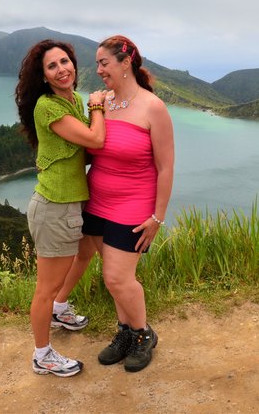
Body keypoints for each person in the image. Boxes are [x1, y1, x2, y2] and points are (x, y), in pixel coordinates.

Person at [15, 39, 107, 377]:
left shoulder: (75, 100)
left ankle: (61, 308)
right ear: (44, 77)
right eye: (52, 66)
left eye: (65, 61)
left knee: (84, 254)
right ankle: (42, 355)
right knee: (45, 287)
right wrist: (98, 107)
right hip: (54, 206)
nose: (61, 69)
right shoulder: (47, 106)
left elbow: (86, 150)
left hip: (75, 202)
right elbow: (95, 140)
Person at [82, 35, 175, 372]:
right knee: (112, 279)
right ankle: (125, 332)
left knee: (119, 278)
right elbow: (90, 147)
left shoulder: (153, 107)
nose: (98, 70)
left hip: (133, 206)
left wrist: (158, 217)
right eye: (97, 64)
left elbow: (165, 167)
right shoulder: (101, 103)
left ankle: (143, 334)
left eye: (103, 63)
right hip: (95, 204)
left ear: (125, 63)